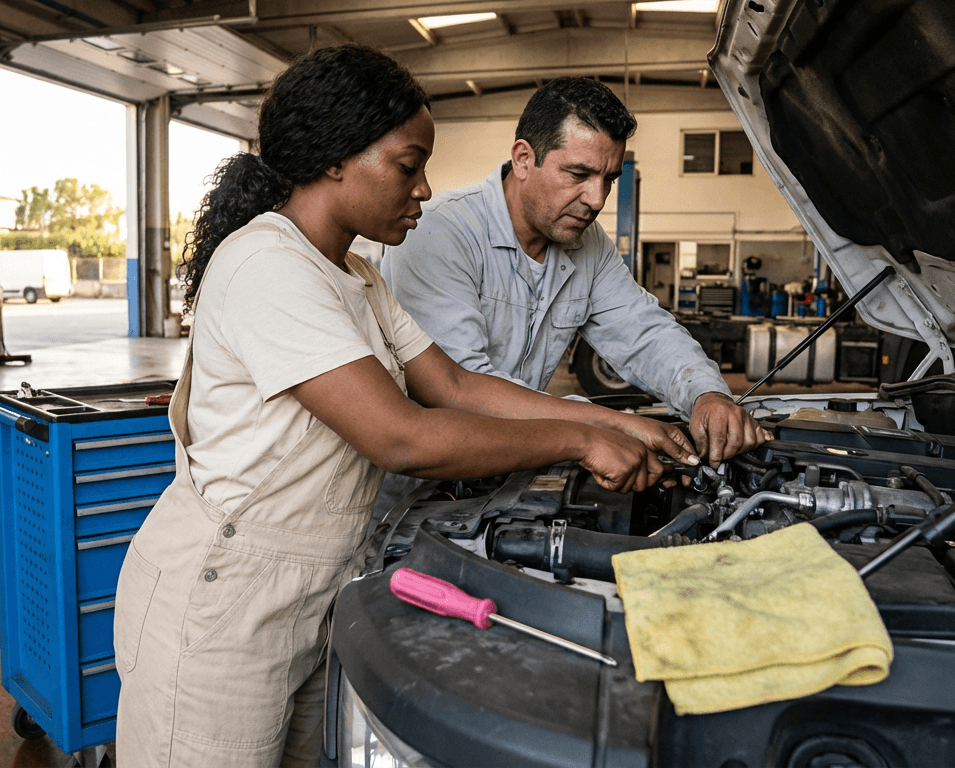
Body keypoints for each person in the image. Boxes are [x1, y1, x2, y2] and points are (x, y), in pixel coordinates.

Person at [112, 45, 700, 768]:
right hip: (222, 605)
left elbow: (453, 386)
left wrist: (613, 422)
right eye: (406, 165)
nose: (424, 188)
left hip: (320, 586)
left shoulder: (356, 275)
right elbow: (403, 438)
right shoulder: (267, 264)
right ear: (336, 158)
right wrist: (578, 443)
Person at [381, 77, 771, 470]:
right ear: (523, 159)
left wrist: (706, 395)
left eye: (609, 180)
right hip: (422, 487)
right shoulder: (438, 231)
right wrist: (609, 425)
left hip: (510, 467)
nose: (597, 200)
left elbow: (643, 331)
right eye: (578, 174)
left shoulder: (590, 244)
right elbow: (458, 387)